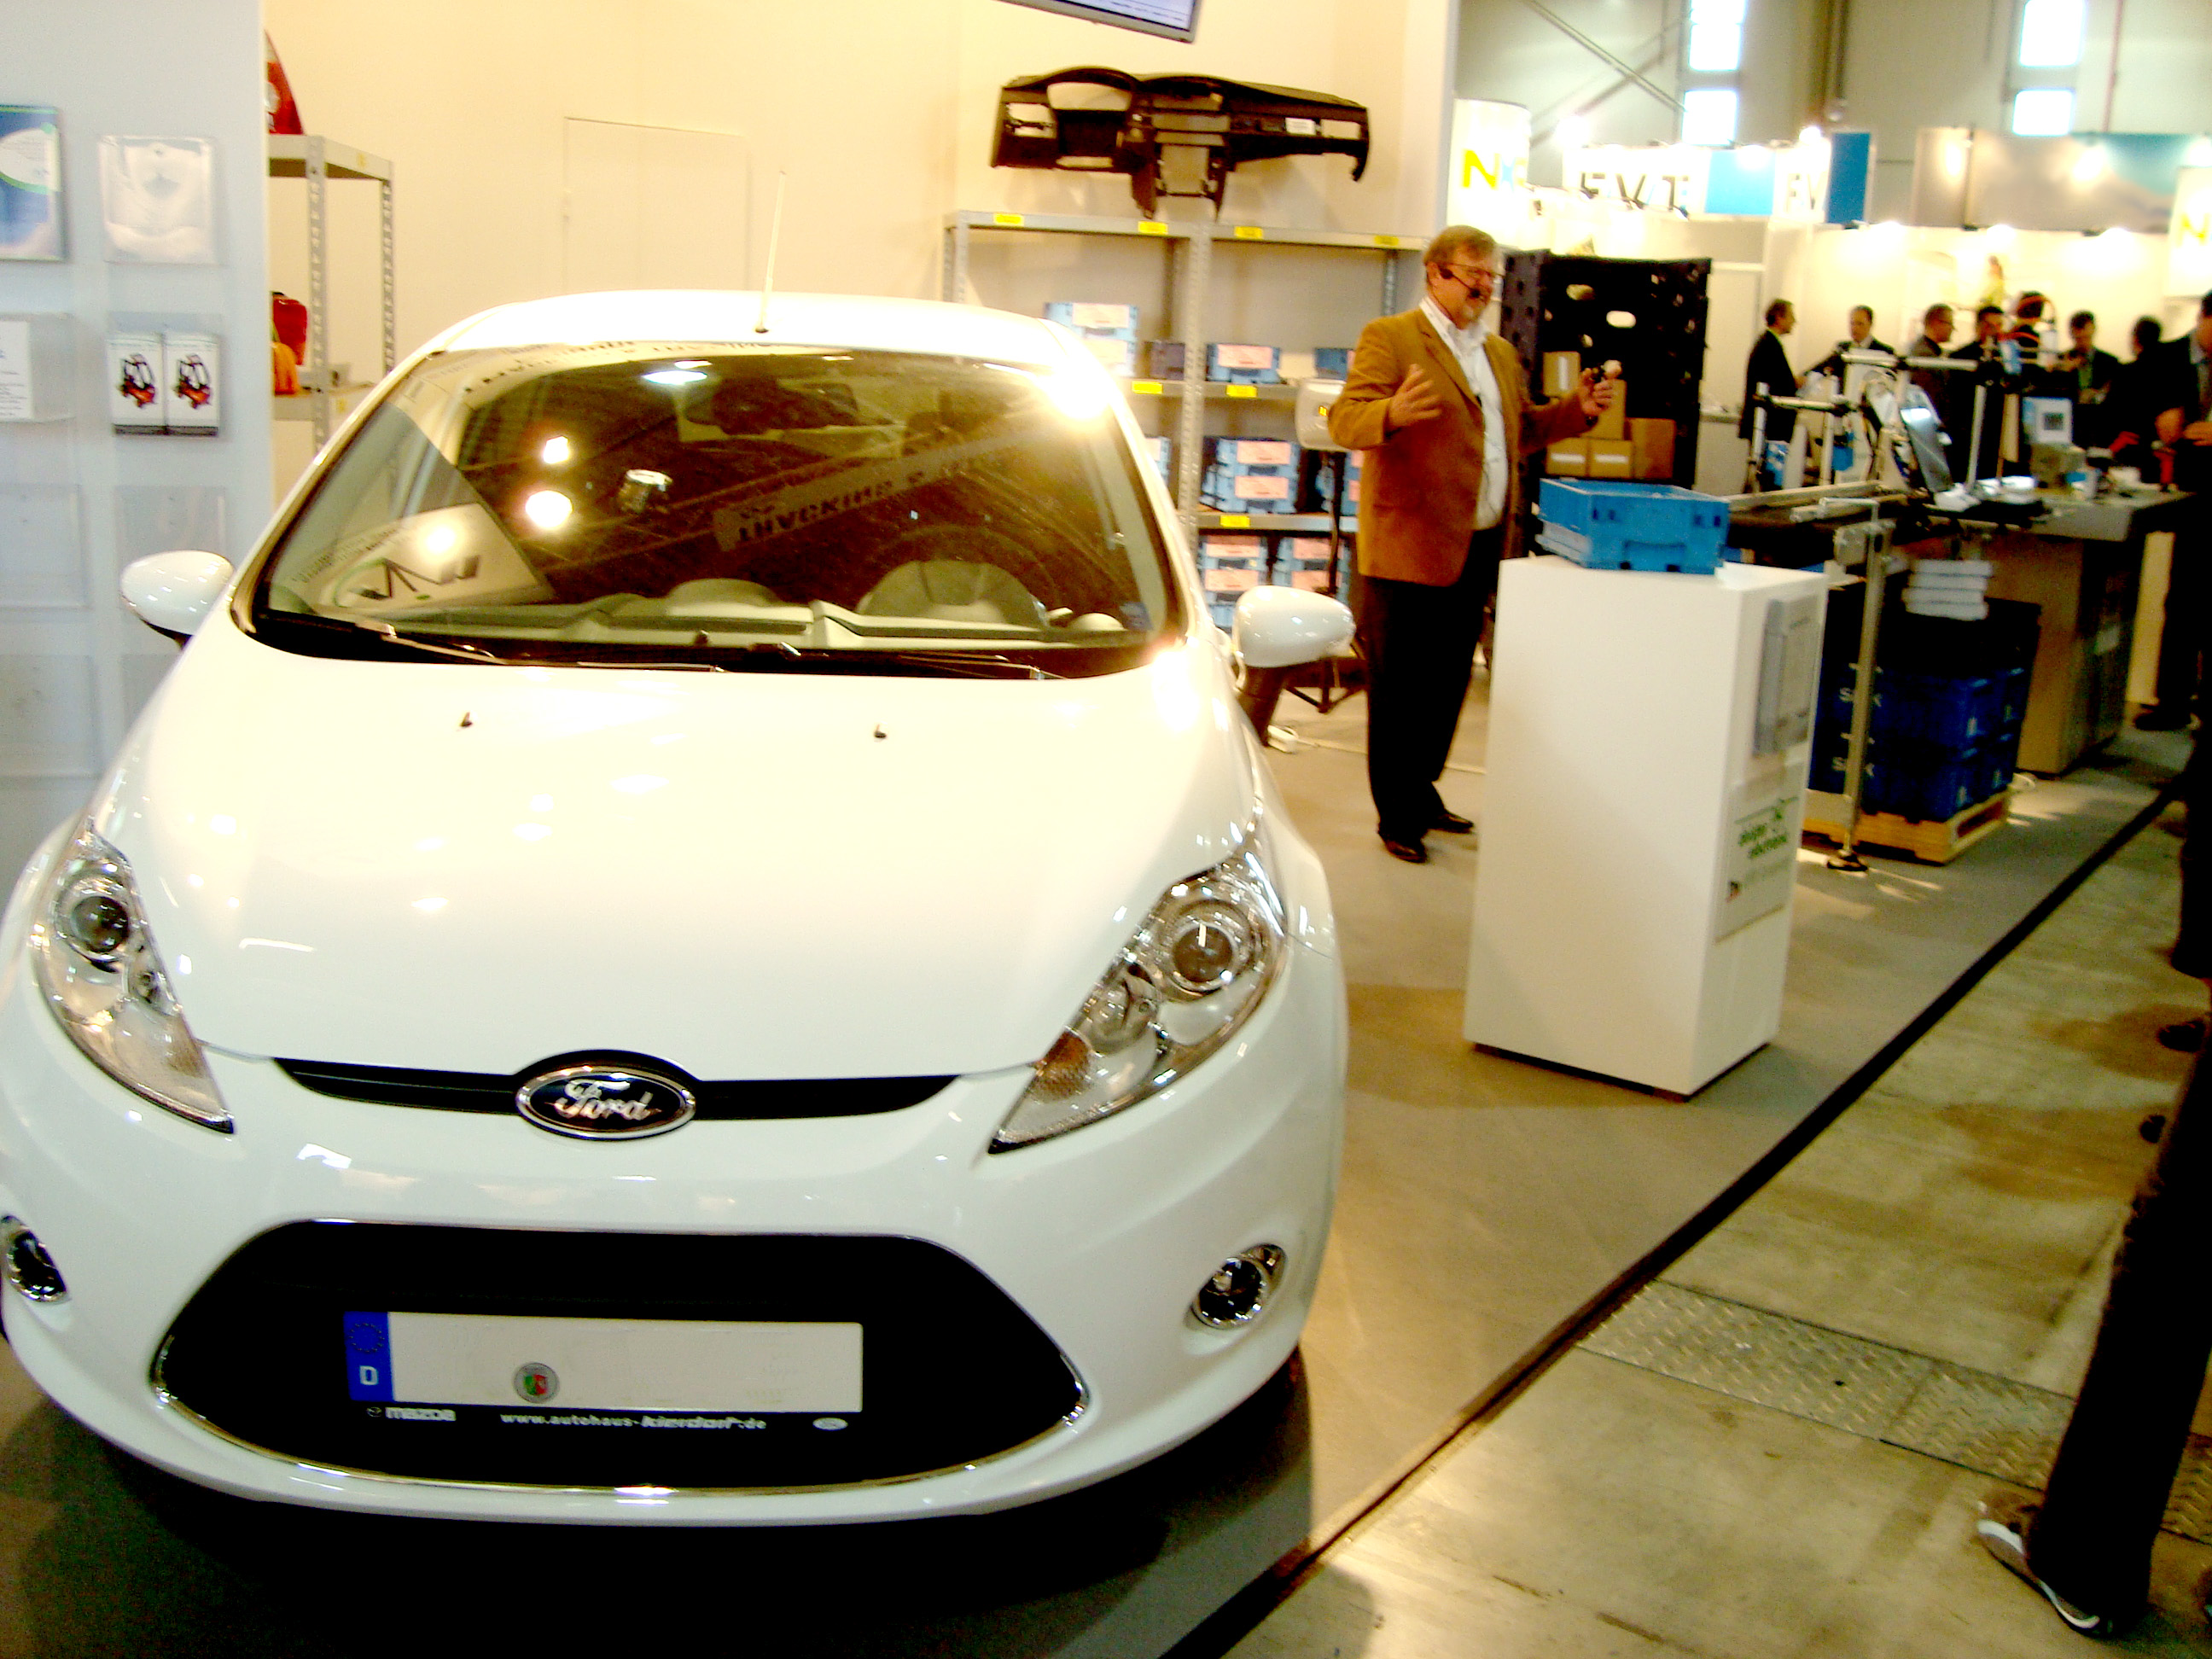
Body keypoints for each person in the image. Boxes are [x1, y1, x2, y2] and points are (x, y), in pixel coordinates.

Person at [1328, 224, 1614, 864]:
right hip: (1409, 545)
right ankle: (1397, 814)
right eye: (1471, 275)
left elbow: (1523, 430)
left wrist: (1578, 409)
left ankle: (1423, 790)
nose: (1484, 289)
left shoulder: (1500, 354)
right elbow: (1344, 419)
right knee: (1400, 689)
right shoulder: (1391, 337)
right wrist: (1390, 414)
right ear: (1435, 274)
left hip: (1478, 543)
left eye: (1491, 277)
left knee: (1448, 683)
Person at [2138, 293, 2212, 731]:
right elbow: (2126, 407)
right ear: (2204, 318)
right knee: (2182, 600)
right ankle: (2172, 701)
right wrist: (2157, 421)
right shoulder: (2163, 358)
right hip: (2174, 490)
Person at [1739, 299, 1802, 468]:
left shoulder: (1767, 343)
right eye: (1791, 316)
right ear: (1779, 318)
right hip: (1770, 425)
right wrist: (1795, 384)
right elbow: (1779, 385)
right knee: (1768, 472)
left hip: (1767, 424)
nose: (1794, 321)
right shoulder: (1769, 346)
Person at [2051, 310, 2121, 446]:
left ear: (2094, 331)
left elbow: (2116, 398)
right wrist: (2063, 372)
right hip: (2070, 427)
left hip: (2101, 428)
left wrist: (2098, 395)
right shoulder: (2061, 360)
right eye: (2078, 339)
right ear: (2071, 334)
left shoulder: (2111, 362)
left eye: (2087, 337)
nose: (2083, 343)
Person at [1904, 302, 1957, 419]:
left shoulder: (1923, 351)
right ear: (1936, 323)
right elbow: (1932, 398)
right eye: (1950, 323)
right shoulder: (1925, 357)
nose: (1953, 329)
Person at [1810, 305, 1893, 378]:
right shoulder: (1841, 348)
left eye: (1860, 324)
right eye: (1852, 323)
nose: (1854, 328)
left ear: (1870, 325)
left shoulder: (1885, 352)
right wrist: (1807, 376)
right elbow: (1820, 367)